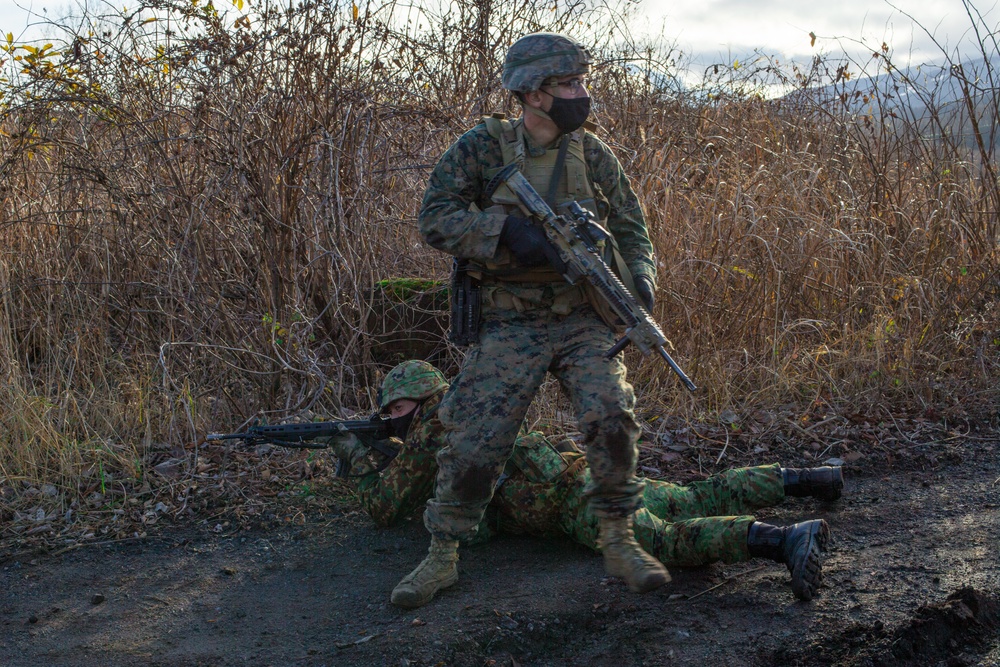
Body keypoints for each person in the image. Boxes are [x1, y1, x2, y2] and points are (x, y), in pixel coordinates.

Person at [402, 30, 670, 609]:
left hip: (583, 317)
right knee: (473, 438)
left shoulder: (593, 155)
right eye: (568, 84)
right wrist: (507, 234)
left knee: (612, 417)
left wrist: (641, 281)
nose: (582, 94)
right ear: (534, 94)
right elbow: (434, 219)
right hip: (510, 320)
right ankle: (443, 552)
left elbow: (630, 224)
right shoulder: (481, 149)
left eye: (580, 82)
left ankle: (619, 540)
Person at [328, 361, 841, 606]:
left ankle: (784, 541)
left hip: (574, 501)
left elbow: (383, 506)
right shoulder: (471, 403)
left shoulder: (432, 427)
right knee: (692, 496)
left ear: (419, 399)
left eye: (395, 410)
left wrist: (353, 454)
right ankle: (810, 479)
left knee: (659, 542)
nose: (392, 419)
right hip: (585, 472)